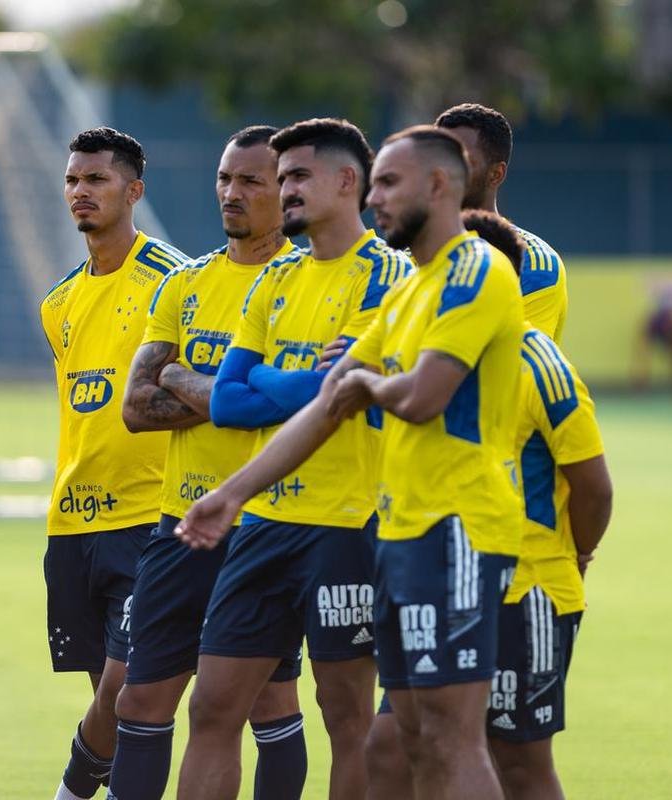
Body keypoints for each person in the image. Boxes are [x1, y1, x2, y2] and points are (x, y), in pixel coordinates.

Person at [178, 125, 527, 800]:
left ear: (437, 185)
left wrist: (363, 385)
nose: (375, 201)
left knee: (446, 735)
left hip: (456, 530)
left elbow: (422, 396)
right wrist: (231, 493)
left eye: (388, 185)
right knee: (412, 738)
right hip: (398, 535)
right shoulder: (408, 293)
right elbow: (323, 404)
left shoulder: (472, 271)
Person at [173, 118, 411, 800]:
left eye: (297, 177)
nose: (284, 192)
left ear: (347, 182)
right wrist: (307, 380)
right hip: (263, 523)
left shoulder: (386, 277)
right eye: (280, 180)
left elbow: (341, 395)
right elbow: (225, 401)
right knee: (212, 707)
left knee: (346, 717)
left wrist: (277, 381)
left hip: (347, 525)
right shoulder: (275, 278)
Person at [364, 210, 614, 800]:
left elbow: (594, 485)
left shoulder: (538, 360)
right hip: (432, 574)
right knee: (397, 744)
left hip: (523, 586)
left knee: (516, 759)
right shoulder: (411, 346)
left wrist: (575, 555)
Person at [109, 125, 303, 800]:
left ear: (288, 192)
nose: (231, 192)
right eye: (225, 177)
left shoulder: (303, 288)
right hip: (179, 523)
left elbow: (289, 407)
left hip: (267, 527)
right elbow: (133, 407)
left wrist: (187, 381)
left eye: (250, 181)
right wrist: (240, 393)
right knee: (138, 704)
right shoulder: (184, 284)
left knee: (266, 708)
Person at [39, 127, 188, 800]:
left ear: (132, 191)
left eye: (95, 180)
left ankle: (71, 790)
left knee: (129, 690)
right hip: (72, 525)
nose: (80, 191)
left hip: (150, 521)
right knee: (107, 697)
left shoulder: (175, 282)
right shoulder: (59, 302)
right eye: (72, 179)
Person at [436, 103, 568, 342]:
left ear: (496, 174)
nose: (443, 172)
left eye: (461, 161)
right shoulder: (410, 256)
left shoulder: (534, 264)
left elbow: (510, 364)